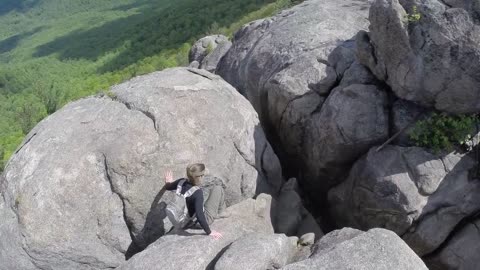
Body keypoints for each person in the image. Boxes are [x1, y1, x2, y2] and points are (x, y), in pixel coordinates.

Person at [164, 163, 224, 240]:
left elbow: (168, 187)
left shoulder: (181, 182)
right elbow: (199, 215)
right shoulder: (197, 193)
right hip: (196, 222)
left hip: (182, 219)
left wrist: (168, 182)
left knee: (208, 192)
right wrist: (209, 232)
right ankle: (222, 211)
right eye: (203, 174)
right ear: (200, 176)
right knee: (218, 188)